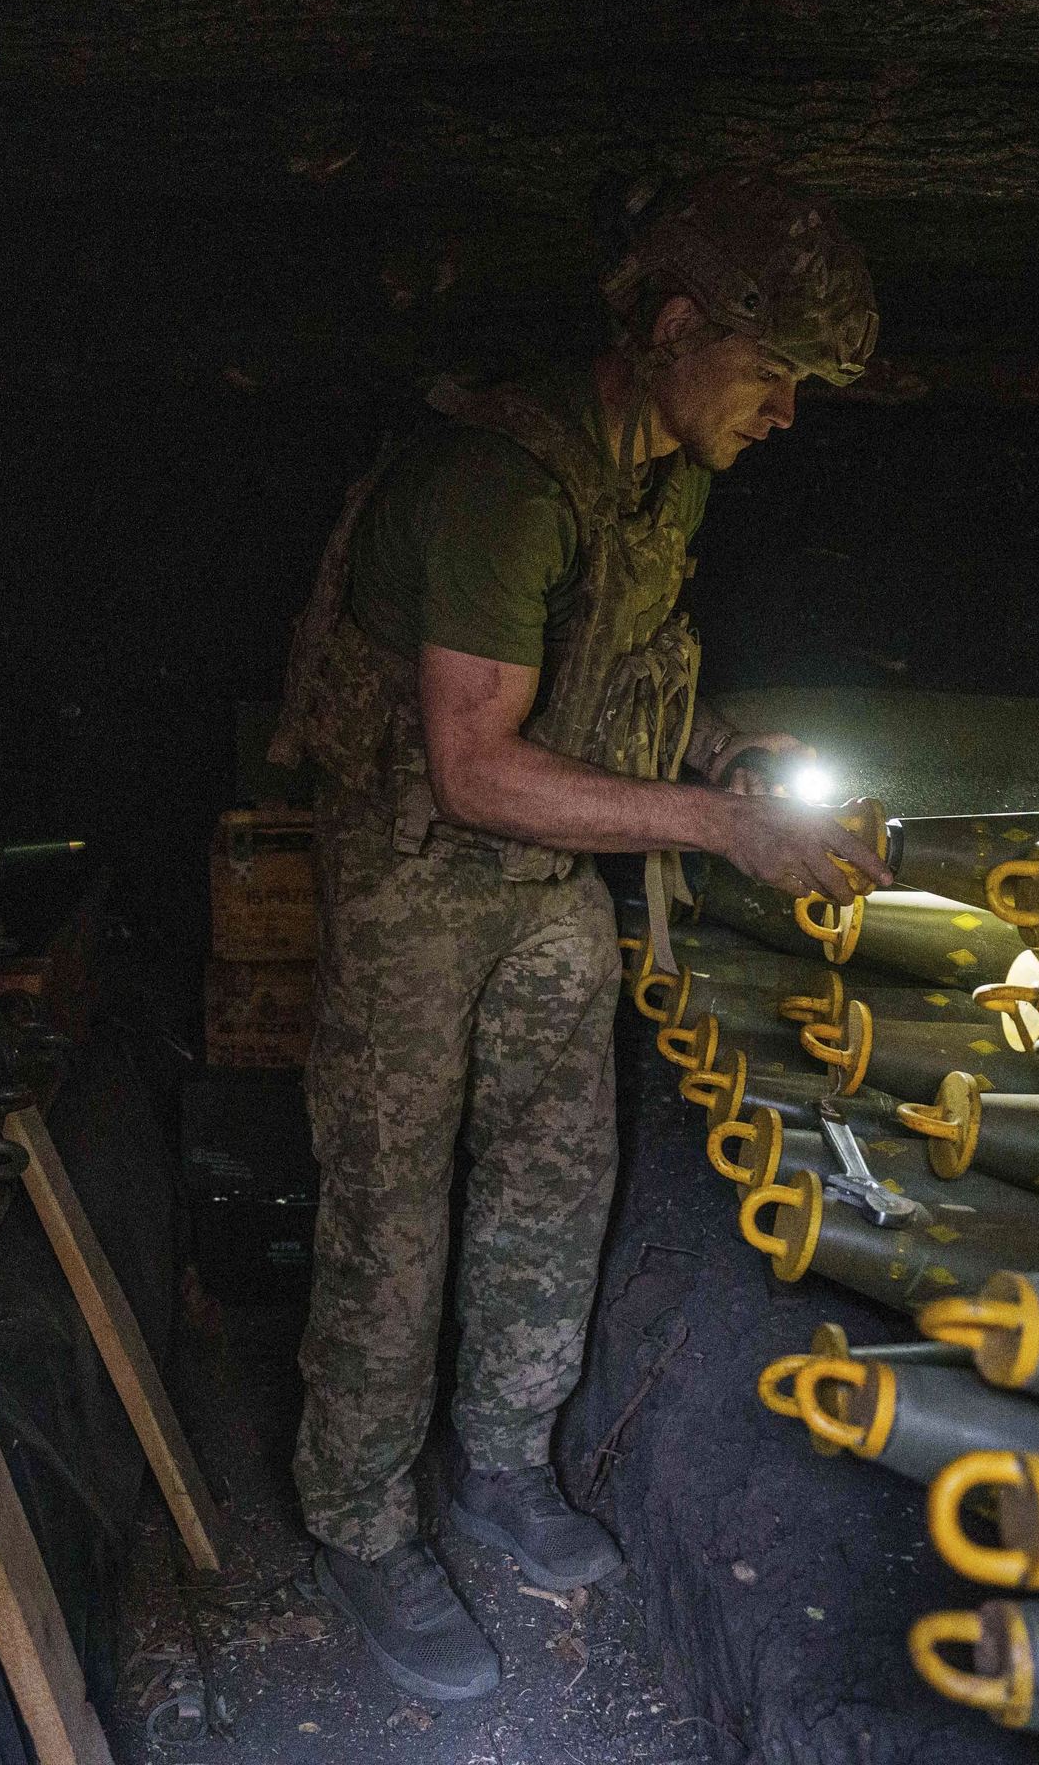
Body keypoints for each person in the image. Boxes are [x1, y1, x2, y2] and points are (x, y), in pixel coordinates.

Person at [267, 168, 892, 1701]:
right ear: (676, 327)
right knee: (390, 1216)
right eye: (777, 375)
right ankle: (358, 1518)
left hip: (552, 884)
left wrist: (722, 764)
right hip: (424, 880)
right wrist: (720, 831)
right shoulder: (500, 485)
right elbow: (475, 767)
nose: (788, 418)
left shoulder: (660, 481)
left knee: (553, 1192)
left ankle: (502, 1470)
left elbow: (613, 684)